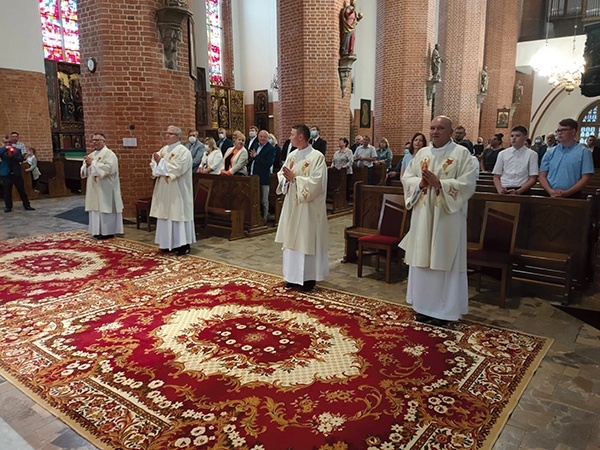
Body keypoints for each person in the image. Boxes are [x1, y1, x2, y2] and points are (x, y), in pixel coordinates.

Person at [400, 116, 477, 325]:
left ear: (450, 131)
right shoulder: (422, 153)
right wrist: (420, 183)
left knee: (443, 260)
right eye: (432, 128)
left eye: (440, 128)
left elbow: (468, 184)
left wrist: (440, 184)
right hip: (423, 215)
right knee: (422, 260)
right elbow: (407, 178)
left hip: (446, 218)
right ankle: (423, 307)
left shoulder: (462, 154)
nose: (435, 132)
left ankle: (444, 311)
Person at [275, 124, 329, 292]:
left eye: (292, 135)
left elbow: (317, 182)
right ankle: (291, 277)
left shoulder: (317, 157)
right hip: (292, 206)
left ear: (300, 137)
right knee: (291, 240)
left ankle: (307, 279)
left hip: (308, 209)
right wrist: (285, 179)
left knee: (306, 240)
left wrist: (295, 180)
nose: (289, 137)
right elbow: (282, 173)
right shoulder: (292, 155)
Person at [149, 125, 195, 256]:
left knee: (178, 215)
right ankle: (167, 244)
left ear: (178, 136)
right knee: (165, 215)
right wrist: (158, 163)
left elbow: (177, 169)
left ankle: (183, 244)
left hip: (178, 190)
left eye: (170, 134)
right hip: (164, 188)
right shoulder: (164, 149)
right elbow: (154, 163)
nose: (167, 136)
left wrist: (161, 163)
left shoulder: (183, 151)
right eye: (166, 133)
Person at [80, 133, 124, 239]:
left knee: (106, 209)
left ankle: (108, 232)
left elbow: (109, 169)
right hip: (94, 188)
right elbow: (84, 172)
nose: (95, 142)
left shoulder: (109, 154)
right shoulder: (91, 155)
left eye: (98, 140)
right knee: (95, 210)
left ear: (104, 141)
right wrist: (86, 165)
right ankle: (97, 231)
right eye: (94, 140)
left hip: (106, 189)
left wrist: (93, 163)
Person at [539, 118, 594, 198]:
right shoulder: (550, 152)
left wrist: (567, 193)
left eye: (563, 130)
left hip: (573, 195)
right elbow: (542, 175)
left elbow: (586, 178)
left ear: (573, 132)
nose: (559, 133)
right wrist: (550, 191)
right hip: (550, 194)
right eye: (558, 131)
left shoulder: (584, 152)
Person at [492, 125, 539, 195]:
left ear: (525, 137)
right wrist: (499, 189)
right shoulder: (502, 154)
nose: (514, 138)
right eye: (512, 136)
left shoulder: (532, 154)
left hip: (522, 190)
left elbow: (533, 178)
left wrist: (518, 191)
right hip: (504, 189)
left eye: (517, 136)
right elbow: (496, 176)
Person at [0, 136, 35, 212]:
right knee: (7, 191)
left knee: (21, 190)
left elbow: (21, 159)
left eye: (9, 142)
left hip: (16, 173)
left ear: (12, 143)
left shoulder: (17, 150)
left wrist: (13, 154)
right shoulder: (2, 150)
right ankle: (8, 206)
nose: (8, 143)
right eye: (6, 142)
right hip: (6, 173)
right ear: (3, 143)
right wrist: (6, 148)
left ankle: (27, 205)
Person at [248, 130, 276, 223]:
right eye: (261, 136)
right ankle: (256, 218)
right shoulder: (255, 145)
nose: (262, 138)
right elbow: (252, 157)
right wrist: (252, 157)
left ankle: (264, 219)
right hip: (253, 176)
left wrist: (256, 157)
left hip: (263, 177)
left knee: (264, 200)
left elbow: (268, 163)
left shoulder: (271, 149)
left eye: (264, 137)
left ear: (268, 138)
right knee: (255, 199)